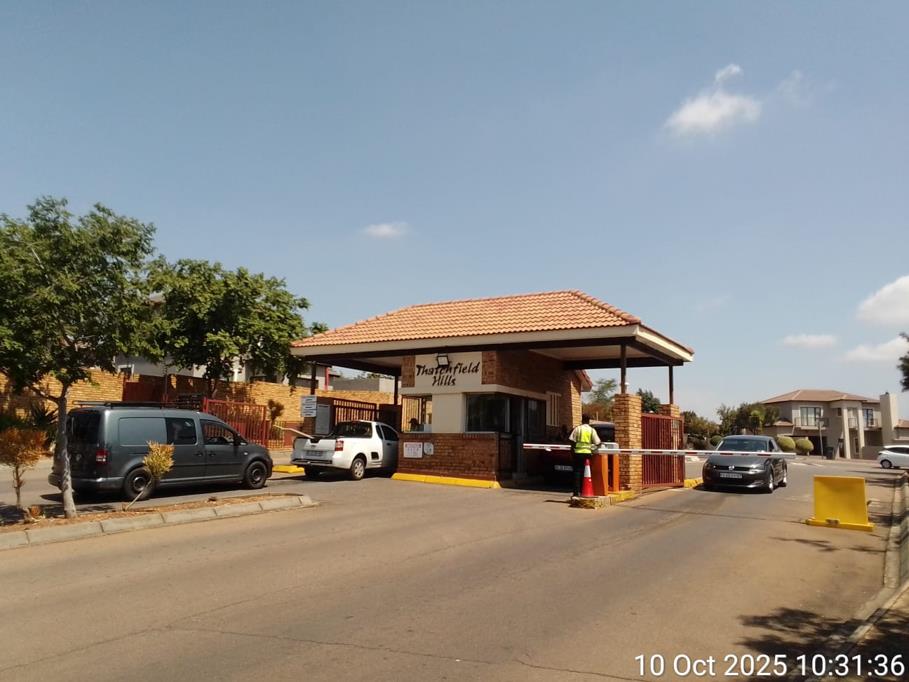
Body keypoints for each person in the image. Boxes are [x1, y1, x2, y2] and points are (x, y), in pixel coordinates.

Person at [568, 414, 601, 498]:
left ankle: (576, 493)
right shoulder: (592, 430)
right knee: (586, 473)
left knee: (577, 472)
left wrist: (573, 451)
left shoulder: (577, 429)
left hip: (578, 453)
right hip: (587, 454)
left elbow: (571, 440)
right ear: (589, 421)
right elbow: (598, 443)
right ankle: (584, 490)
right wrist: (592, 448)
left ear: (582, 420)